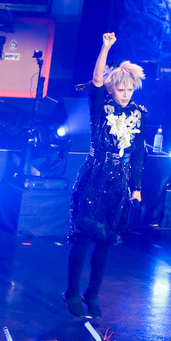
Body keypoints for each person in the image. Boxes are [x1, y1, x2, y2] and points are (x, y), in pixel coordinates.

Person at [64, 32, 146, 318]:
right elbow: (97, 80)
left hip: (118, 181)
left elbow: (138, 152)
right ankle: (72, 291)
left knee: (107, 238)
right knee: (85, 235)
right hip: (96, 174)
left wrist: (136, 187)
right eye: (121, 90)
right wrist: (105, 46)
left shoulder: (138, 113)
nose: (126, 95)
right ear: (113, 90)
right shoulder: (101, 108)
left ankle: (92, 293)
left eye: (130, 90)